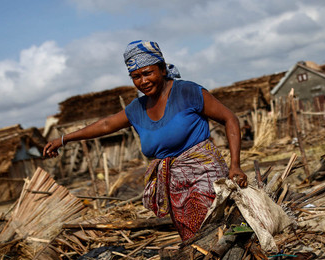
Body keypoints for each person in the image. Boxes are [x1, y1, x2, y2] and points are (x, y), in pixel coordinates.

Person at [43, 40, 247, 242]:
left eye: (148, 73)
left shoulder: (187, 92)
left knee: (212, 233)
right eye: (136, 77)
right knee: (193, 239)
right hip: (173, 183)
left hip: (205, 175)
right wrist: (64, 139)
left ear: (162, 69)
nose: (143, 81)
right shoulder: (137, 108)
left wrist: (235, 165)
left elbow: (230, 118)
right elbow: (106, 125)